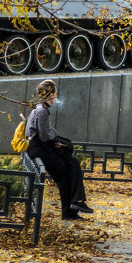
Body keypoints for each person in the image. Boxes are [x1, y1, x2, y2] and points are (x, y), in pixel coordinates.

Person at [25, 79, 93, 220]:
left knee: (71, 164)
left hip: (38, 148)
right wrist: (54, 134)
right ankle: (70, 209)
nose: (56, 96)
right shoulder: (42, 111)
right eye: (55, 93)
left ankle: (75, 204)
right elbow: (44, 136)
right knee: (64, 171)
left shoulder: (37, 108)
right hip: (39, 148)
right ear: (50, 95)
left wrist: (53, 138)